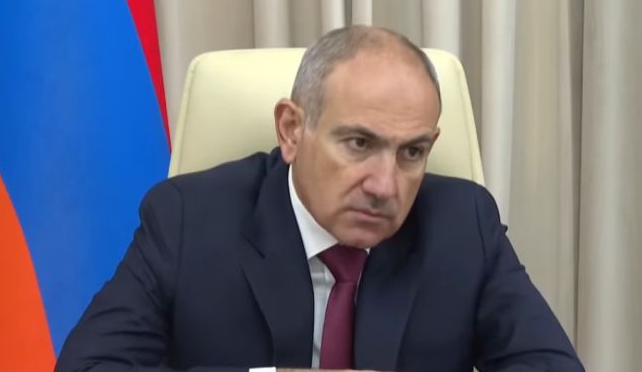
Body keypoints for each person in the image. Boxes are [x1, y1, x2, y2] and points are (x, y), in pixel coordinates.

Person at [56, 26, 584, 372]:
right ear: (291, 129)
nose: (385, 186)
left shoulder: (463, 225)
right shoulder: (188, 219)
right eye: (359, 144)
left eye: (412, 152)